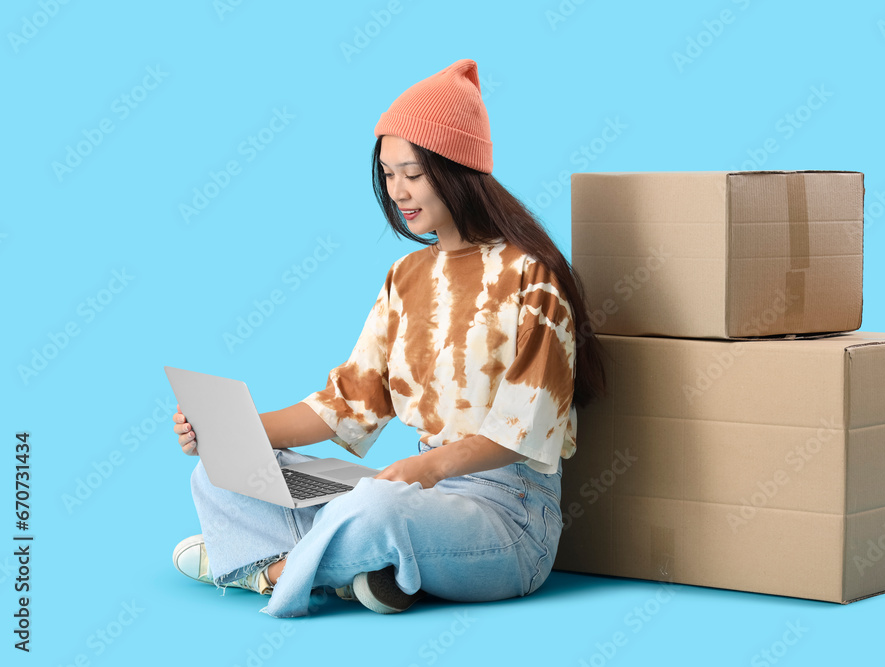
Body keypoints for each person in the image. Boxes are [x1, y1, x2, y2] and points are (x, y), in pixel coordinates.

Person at [171, 58, 607, 618]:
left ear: (457, 169)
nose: (398, 191)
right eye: (388, 174)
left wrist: (424, 471)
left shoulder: (531, 274)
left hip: (509, 515)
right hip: (416, 493)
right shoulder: (406, 277)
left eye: (413, 173)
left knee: (376, 507)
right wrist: (234, 433)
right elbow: (347, 403)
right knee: (217, 474)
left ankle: (265, 568)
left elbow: (526, 432)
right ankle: (361, 575)